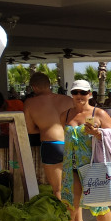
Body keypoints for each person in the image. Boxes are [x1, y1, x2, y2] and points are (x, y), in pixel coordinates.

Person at [60, 79, 111, 221]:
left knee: (99, 205)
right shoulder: (65, 115)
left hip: (92, 165)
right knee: (69, 206)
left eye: (83, 92)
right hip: (71, 167)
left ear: (90, 94)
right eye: (75, 92)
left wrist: (98, 133)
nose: (79, 96)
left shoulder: (99, 113)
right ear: (71, 94)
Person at [23, 72, 73, 200]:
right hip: (71, 142)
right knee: (74, 187)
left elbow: (30, 129)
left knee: (58, 189)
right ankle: (78, 214)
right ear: (49, 84)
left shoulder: (30, 103)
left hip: (52, 145)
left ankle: (63, 214)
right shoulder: (68, 99)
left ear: (34, 87)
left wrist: (45, 128)